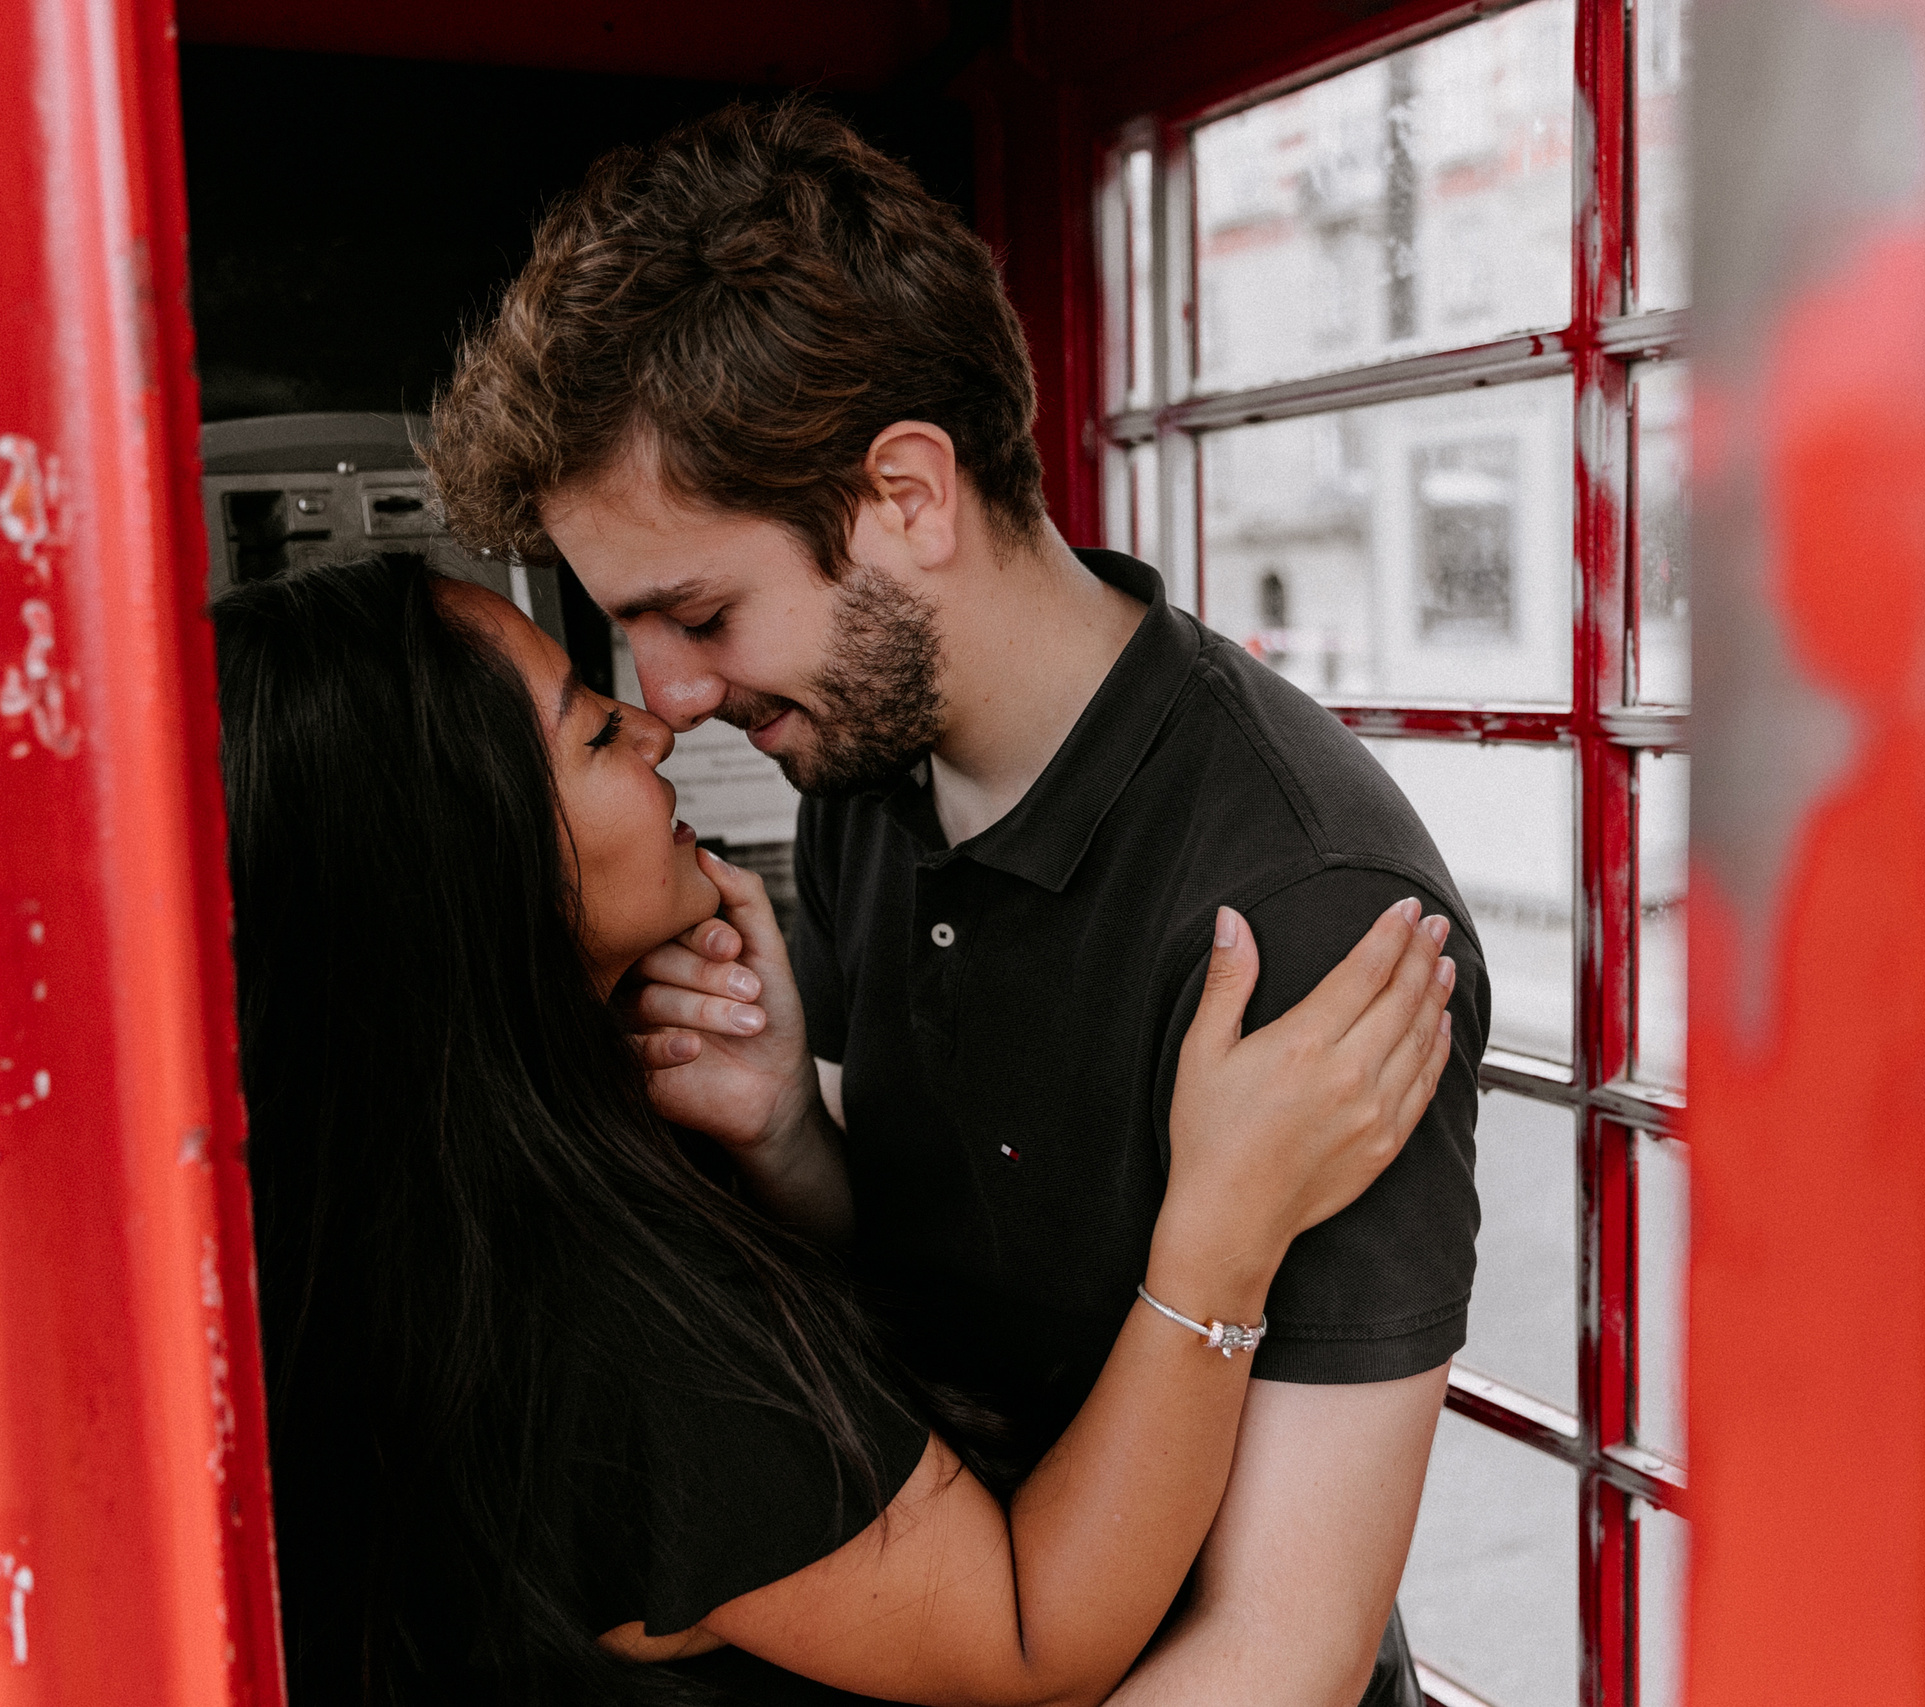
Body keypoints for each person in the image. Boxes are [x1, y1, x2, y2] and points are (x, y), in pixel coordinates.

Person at [428, 99, 1490, 1705]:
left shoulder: (1308, 908)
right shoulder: (862, 774)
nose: (669, 696)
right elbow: (947, 1309)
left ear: (910, 494)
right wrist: (794, 1136)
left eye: (700, 612)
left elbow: (1285, 1646)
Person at [211, 551, 1456, 1705]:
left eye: (705, 616)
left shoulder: (415, 1212)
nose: (658, 717)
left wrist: (786, 1138)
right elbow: (1031, 1637)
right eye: (592, 730)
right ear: (463, 864)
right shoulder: (584, 1315)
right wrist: (1221, 1237)